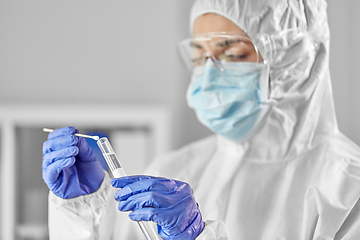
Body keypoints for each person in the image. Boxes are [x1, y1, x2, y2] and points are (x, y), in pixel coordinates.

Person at [42, 0, 360, 239]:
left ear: (295, 56)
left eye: (232, 54)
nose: (208, 75)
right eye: (199, 56)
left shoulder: (347, 192)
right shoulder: (170, 171)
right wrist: (84, 209)